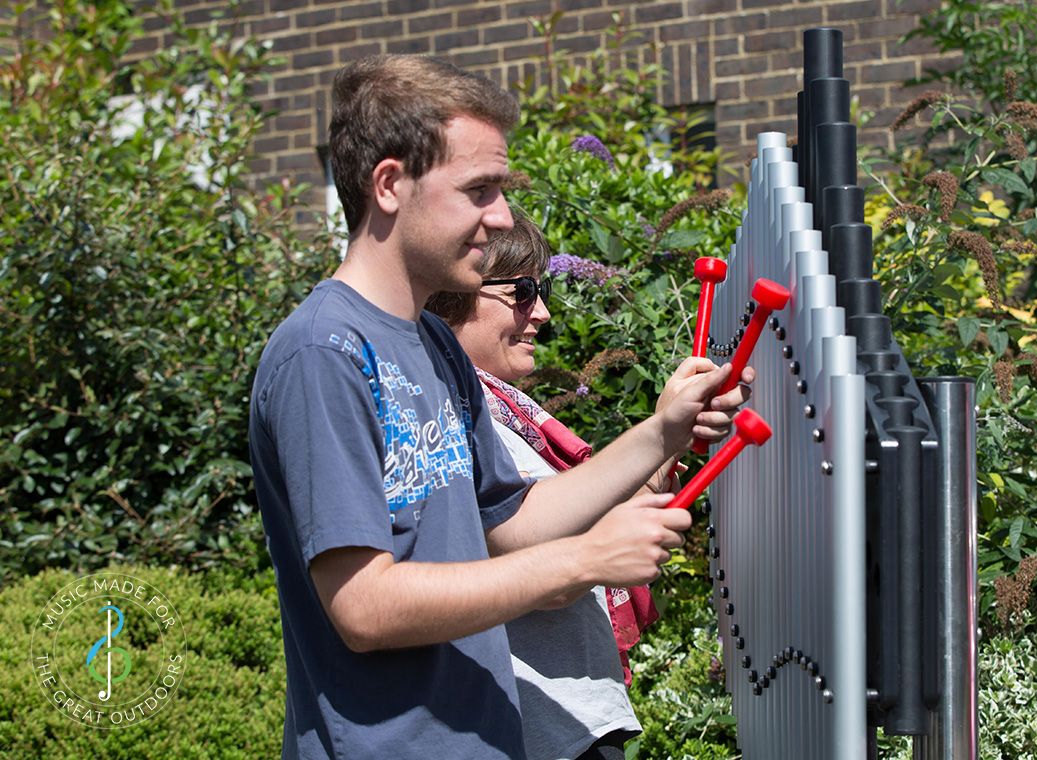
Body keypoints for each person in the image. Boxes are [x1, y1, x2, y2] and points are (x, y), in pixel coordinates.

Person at [248, 53, 749, 760]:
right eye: (479, 190)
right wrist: (584, 561)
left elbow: (509, 525)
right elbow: (364, 607)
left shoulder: (432, 343)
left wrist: (661, 430)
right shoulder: (322, 353)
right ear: (389, 184)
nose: (501, 216)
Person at [426, 209, 703, 760]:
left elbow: (589, 529)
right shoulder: (467, 412)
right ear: (456, 291)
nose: (543, 312)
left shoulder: (510, 411)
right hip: (546, 733)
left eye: (542, 288)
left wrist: (668, 434)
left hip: (571, 718)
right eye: (523, 291)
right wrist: (662, 430)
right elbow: (553, 566)